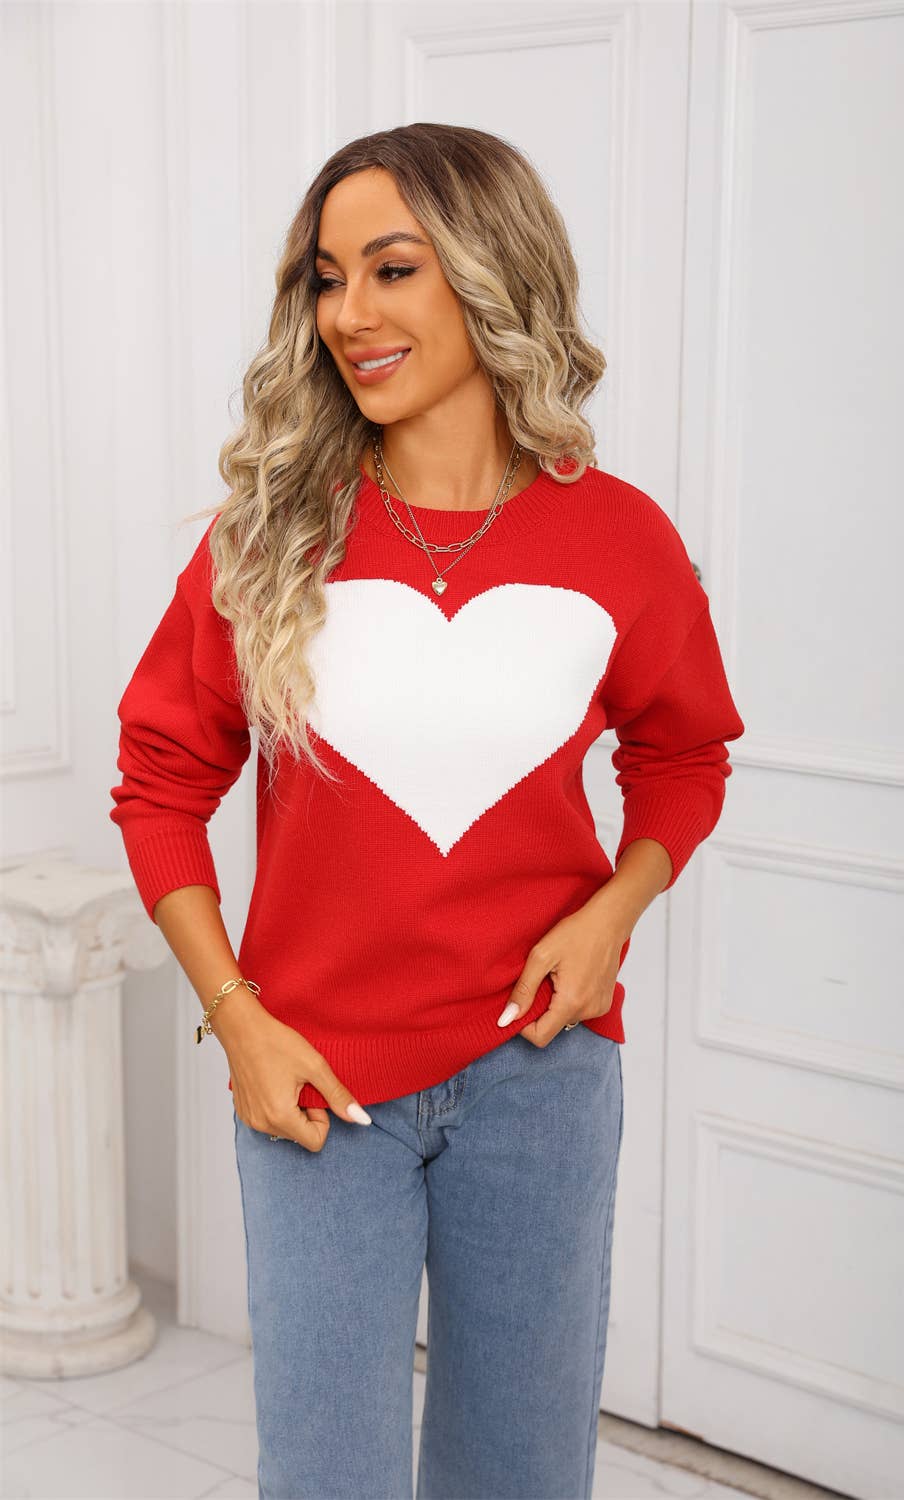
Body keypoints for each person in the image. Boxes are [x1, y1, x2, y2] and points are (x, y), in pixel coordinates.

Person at [109, 123, 745, 1500]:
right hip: (316, 1080)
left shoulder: (619, 539)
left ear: (489, 272)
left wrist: (614, 912)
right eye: (327, 278)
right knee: (325, 1474)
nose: (350, 313)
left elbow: (685, 753)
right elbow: (159, 783)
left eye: (392, 269)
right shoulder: (270, 540)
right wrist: (238, 1019)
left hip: (541, 1071)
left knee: (520, 1470)